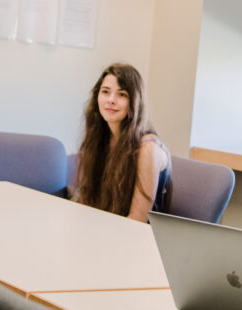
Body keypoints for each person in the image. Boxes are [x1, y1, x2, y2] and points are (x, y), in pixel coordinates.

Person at [73, 63, 171, 223]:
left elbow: (137, 220)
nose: (111, 100)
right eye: (105, 92)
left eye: (122, 94)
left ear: (135, 101)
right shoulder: (101, 139)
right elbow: (89, 202)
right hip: (109, 228)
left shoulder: (147, 149)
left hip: (137, 237)